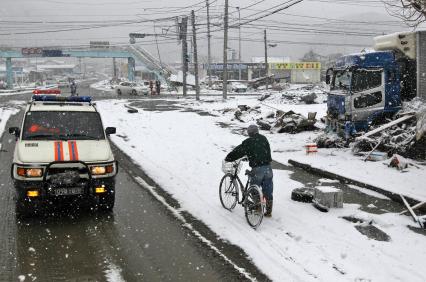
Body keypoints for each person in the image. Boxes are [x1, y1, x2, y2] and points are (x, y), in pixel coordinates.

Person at [225, 124, 274, 217]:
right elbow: (263, 151)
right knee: (268, 189)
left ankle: (258, 207)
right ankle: (269, 211)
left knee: (254, 188)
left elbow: (238, 151)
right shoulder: (263, 138)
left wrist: (229, 158)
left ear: (249, 133)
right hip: (268, 167)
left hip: (258, 168)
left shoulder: (249, 142)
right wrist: (251, 156)